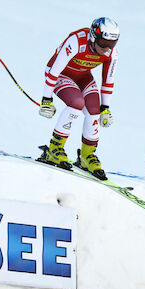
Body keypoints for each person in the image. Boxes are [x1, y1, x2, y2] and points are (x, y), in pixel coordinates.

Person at [38, 17, 119, 180]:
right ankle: (55, 149)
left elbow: (108, 81)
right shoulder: (76, 41)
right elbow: (54, 71)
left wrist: (106, 108)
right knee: (76, 102)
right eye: (103, 43)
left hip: (82, 76)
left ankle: (86, 156)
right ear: (93, 36)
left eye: (111, 44)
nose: (106, 49)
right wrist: (47, 99)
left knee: (94, 109)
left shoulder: (111, 53)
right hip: (59, 74)